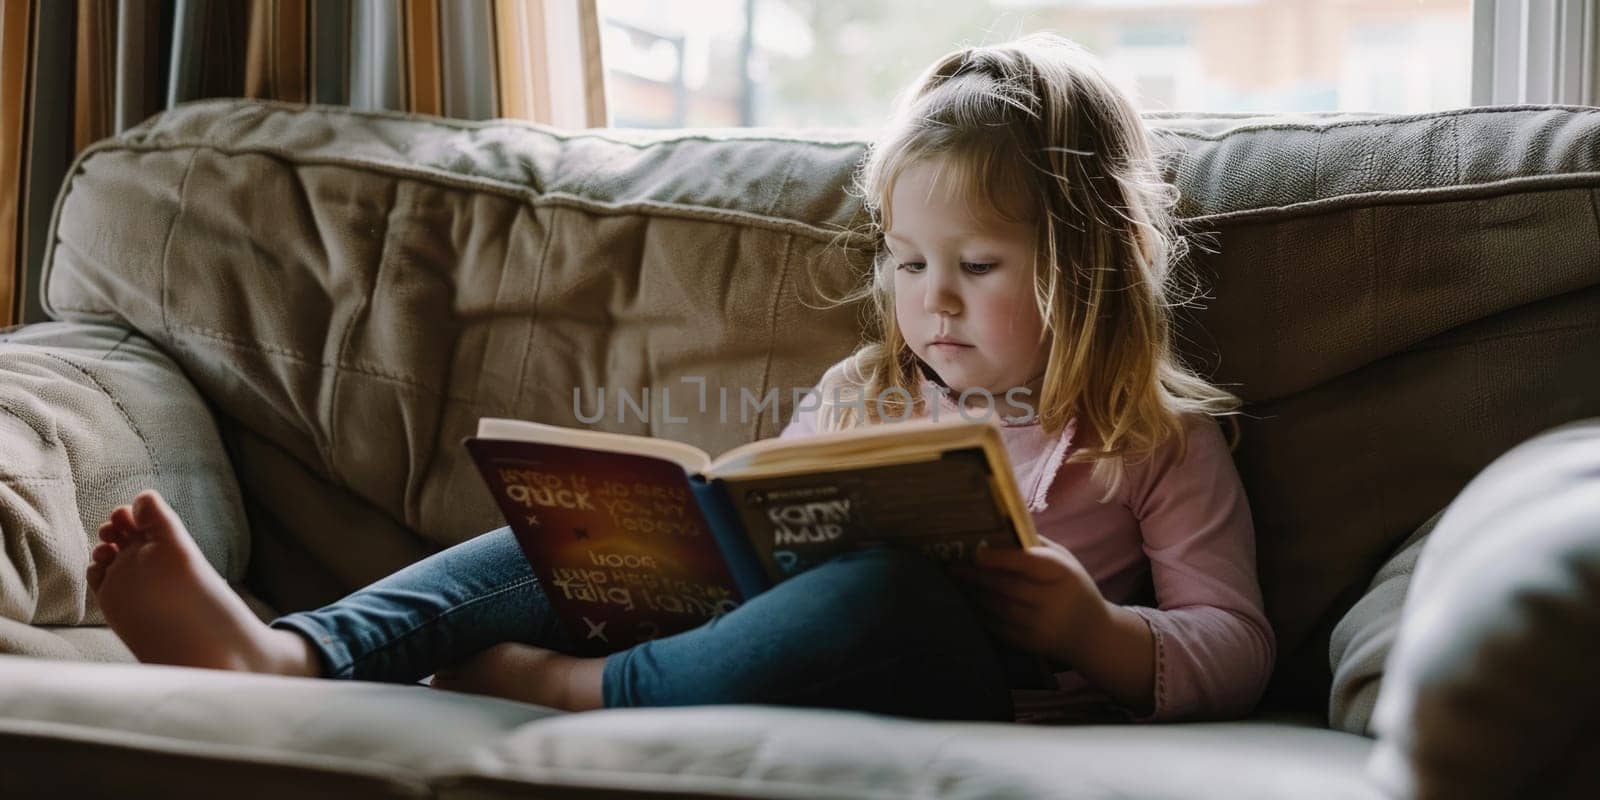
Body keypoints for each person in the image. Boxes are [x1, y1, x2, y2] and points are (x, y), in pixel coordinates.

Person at [86, 32, 1273, 724]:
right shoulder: (871, 388)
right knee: (597, 525)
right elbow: (765, 521)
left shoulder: (1154, 436)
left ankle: (570, 686)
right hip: (758, 626)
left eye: (975, 264)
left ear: (1090, 259)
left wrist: (1101, 631)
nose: (932, 298)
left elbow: (1237, 636)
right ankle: (299, 651)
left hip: (952, 669)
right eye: (907, 262)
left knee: (888, 598)